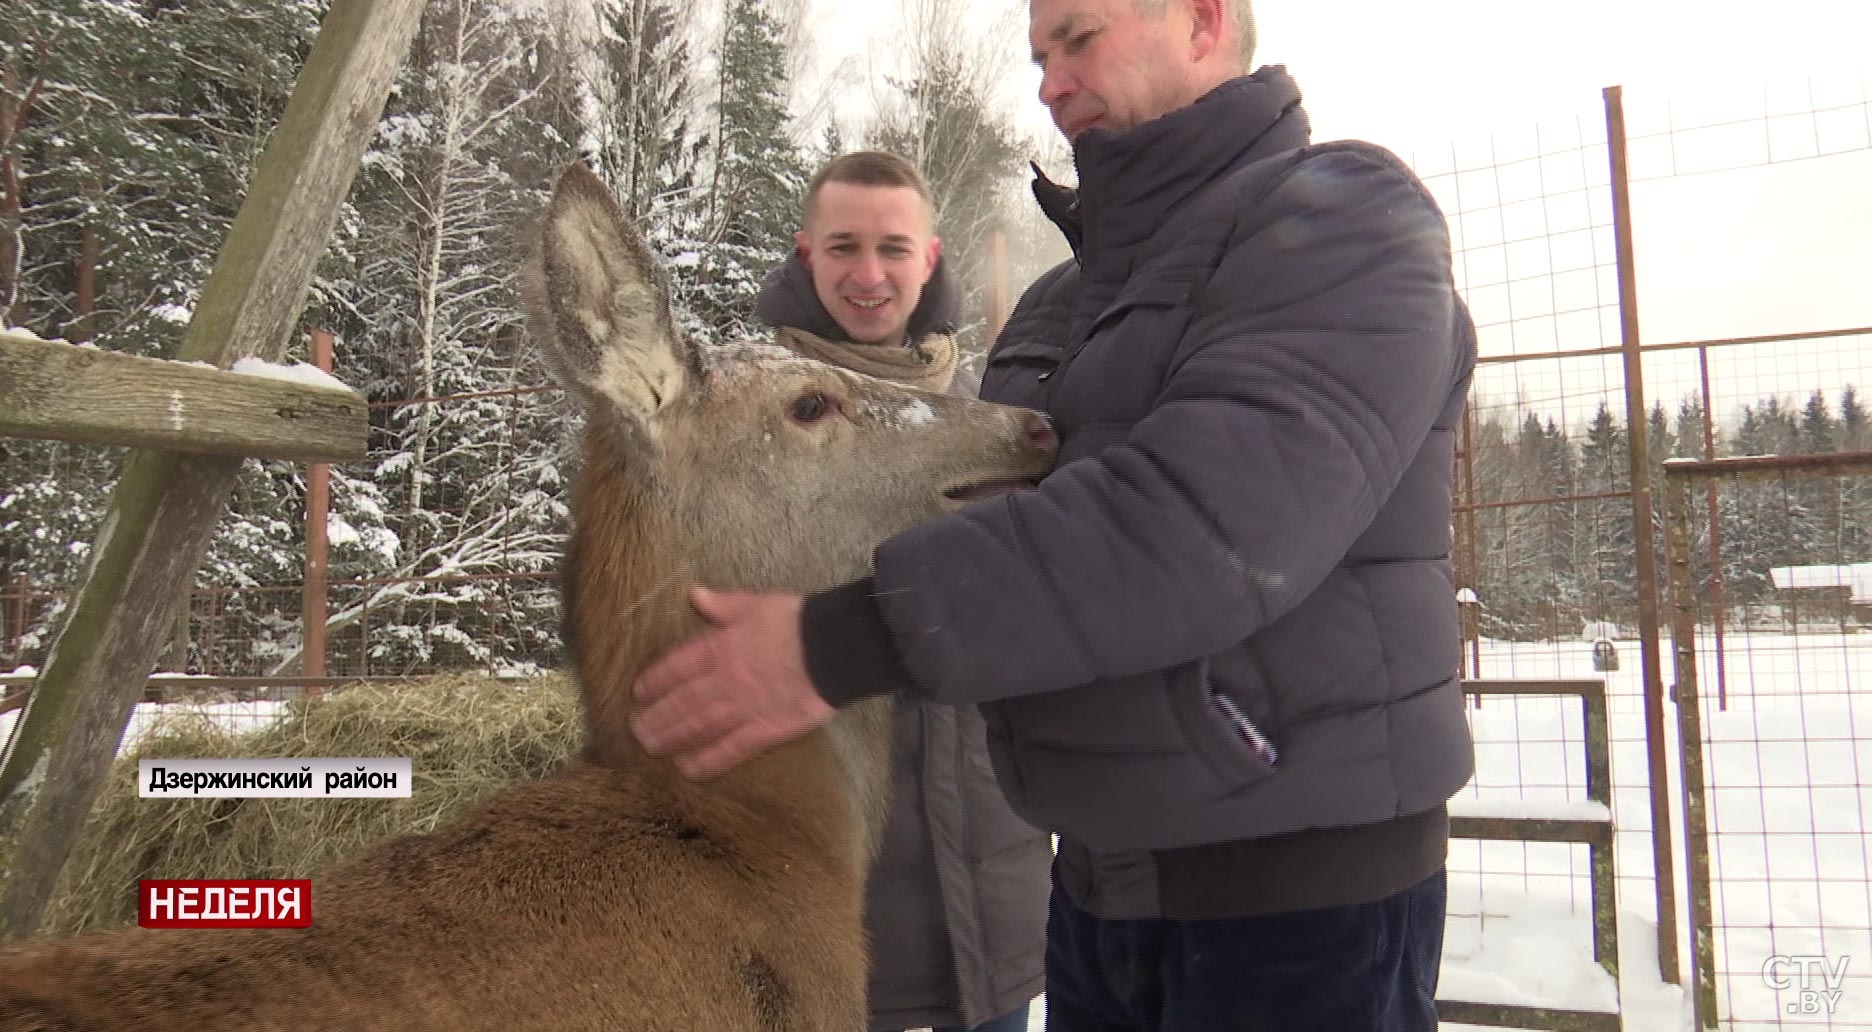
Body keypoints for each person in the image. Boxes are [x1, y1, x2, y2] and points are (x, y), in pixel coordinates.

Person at [629, 0, 1479, 1026]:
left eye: (1078, 39)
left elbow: (1207, 526)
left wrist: (832, 644)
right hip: (1095, 888)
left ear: (1203, 22)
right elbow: (1004, 538)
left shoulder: (1340, 220)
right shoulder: (1058, 307)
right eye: (1040, 54)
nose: (1049, 80)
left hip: (1297, 898)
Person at [752, 150, 1050, 1032]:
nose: (869, 275)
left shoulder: (997, 428)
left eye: (893, 247)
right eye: (844, 247)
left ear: (931, 256)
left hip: (987, 903)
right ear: (808, 255)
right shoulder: (742, 425)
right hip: (810, 910)